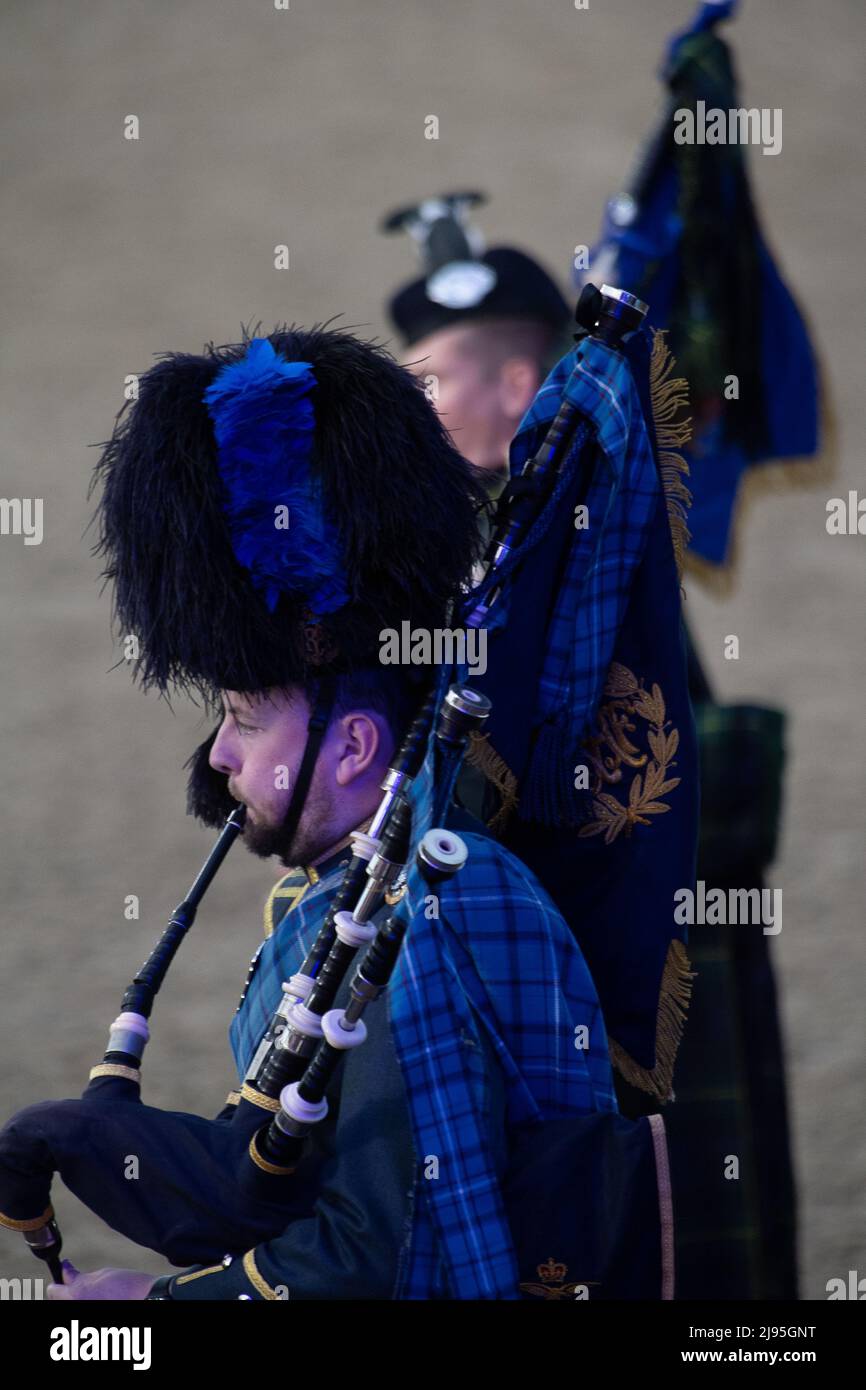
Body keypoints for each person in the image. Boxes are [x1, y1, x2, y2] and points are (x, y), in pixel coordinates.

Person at [42, 324, 618, 1301]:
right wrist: (86, 1140)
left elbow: (384, 1258)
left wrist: (150, 1305)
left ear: (353, 747)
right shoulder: (330, 894)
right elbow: (276, 1173)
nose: (218, 756)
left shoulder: (434, 912)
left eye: (240, 719)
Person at [383, 195, 798, 1299]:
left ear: (517, 387)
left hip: (614, 930)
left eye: (426, 376)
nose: (408, 404)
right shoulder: (481, 549)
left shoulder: (573, 540)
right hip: (535, 942)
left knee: (680, 1241)